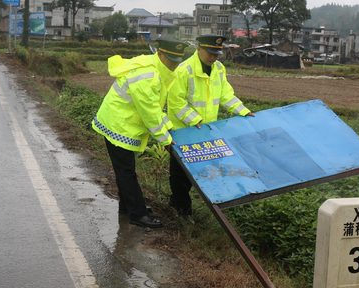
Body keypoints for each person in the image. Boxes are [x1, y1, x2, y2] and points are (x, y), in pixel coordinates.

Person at [92, 38, 184, 228]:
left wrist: (168, 126)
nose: (174, 64)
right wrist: (166, 140)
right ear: (160, 54)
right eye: (171, 59)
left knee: (125, 171)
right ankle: (138, 214)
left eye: (177, 60)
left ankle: (127, 207)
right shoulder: (148, 75)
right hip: (118, 124)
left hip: (122, 122)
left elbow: (156, 107)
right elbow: (150, 113)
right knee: (126, 172)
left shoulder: (157, 69)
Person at [166, 34, 254, 219]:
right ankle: (182, 210)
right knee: (181, 174)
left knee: (198, 170)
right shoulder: (184, 70)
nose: (214, 57)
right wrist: (195, 120)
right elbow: (175, 102)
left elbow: (225, 94)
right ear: (199, 49)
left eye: (217, 53)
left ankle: (177, 202)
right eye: (210, 53)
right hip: (184, 131)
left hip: (205, 131)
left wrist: (243, 111)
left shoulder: (218, 68)